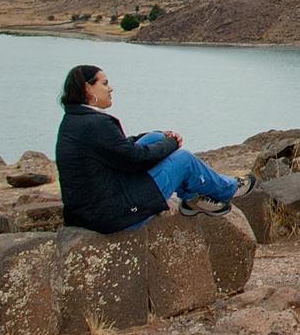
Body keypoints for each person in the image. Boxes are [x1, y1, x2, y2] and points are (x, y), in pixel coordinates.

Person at [55, 64, 254, 233]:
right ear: (88, 89)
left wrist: (155, 138)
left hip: (96, 205)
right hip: (110, 215)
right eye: (104, 83)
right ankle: (227, 189)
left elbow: (113, 148)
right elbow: (135, 160)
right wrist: (172, 143)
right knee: (183, 159)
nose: (110, 88)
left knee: (156, 137)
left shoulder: (76, 118)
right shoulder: (95, 124)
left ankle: (192, 198)